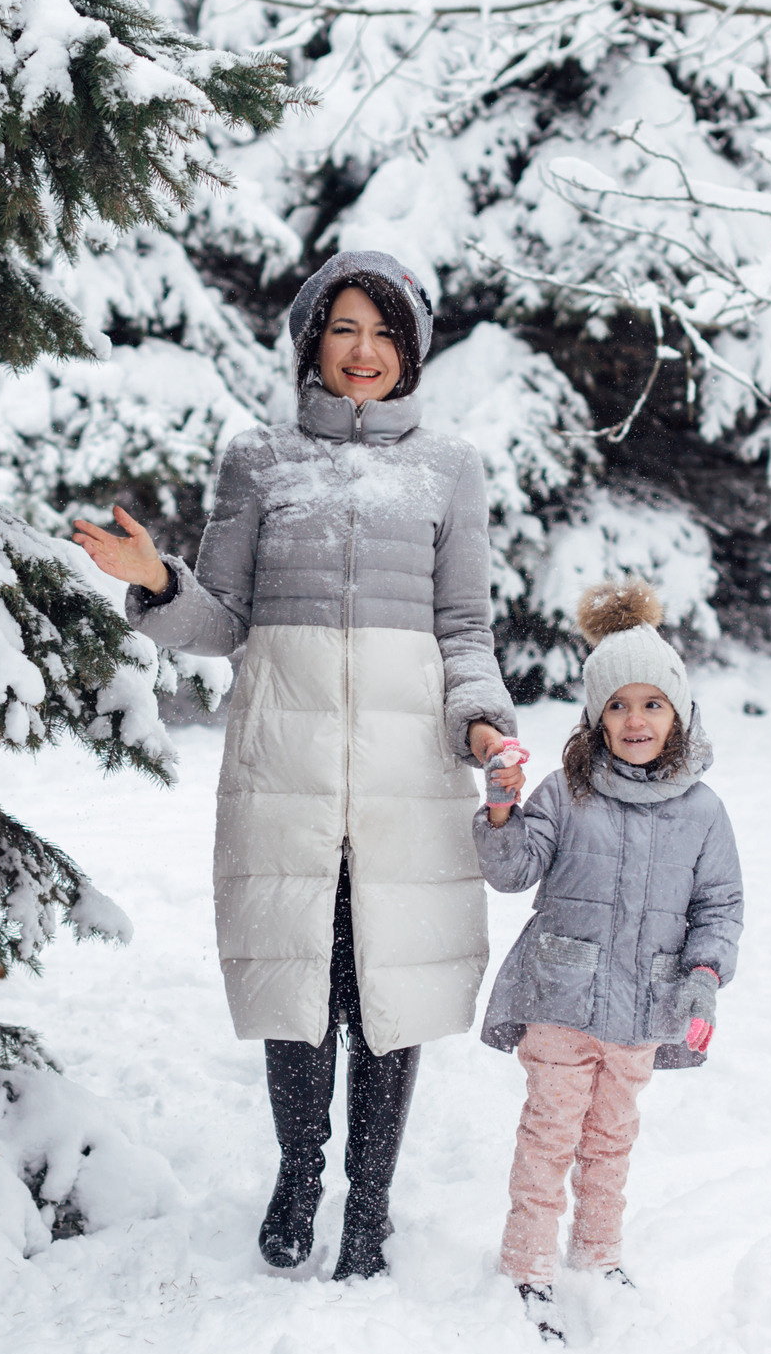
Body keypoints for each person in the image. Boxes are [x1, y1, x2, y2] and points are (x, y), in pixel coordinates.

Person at [70, 249, 524, 1280]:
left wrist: (482, 723)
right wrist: (154, 580)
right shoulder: (260, 459)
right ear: (310, 340)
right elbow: (224, 619)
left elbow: (464, 626)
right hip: (288, 759)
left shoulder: (449, 468)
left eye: (383, 333)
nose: (362, 352)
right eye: (343, 329)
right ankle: (299, 1174)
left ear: (409, 350)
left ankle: (370, 1206)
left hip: (408, 766)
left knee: (388, 987)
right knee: (299, 982)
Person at [474, 579, 743, 1344]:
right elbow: (512, 869)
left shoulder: (703, 812)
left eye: (652, 703)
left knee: (611, 1138)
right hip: (559, 997)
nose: (635, 719)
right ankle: (527, 1264)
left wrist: (702, 980)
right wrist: (501, 809)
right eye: (618, 704)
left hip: (641, 1010)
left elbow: (719, 908)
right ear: (595, 716)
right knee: (550, 1133)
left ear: (680, 713)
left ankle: (597, 1254)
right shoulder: (565, 794)